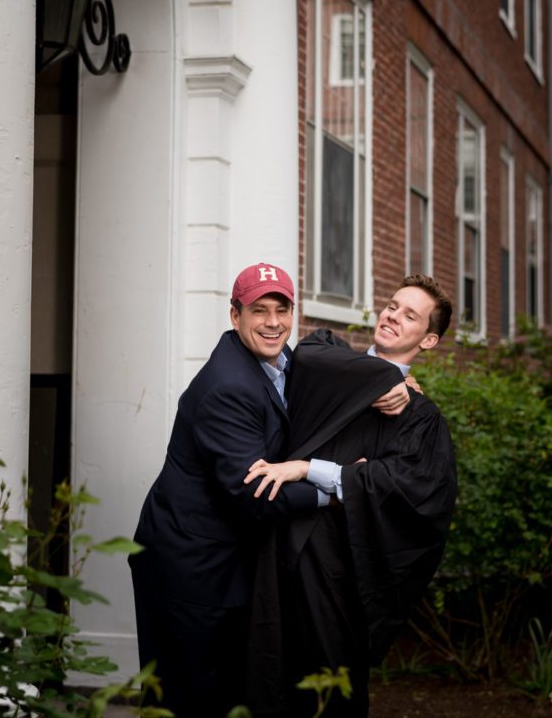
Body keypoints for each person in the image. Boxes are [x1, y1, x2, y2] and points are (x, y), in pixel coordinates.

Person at [129, 262, 406, 718]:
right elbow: (257, 496)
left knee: (233, 692)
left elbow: (335, 371)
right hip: (190, 564)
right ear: (234, 315)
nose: (273, 322)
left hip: (229, 556)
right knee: (188, 698)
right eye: (260, 310)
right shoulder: (228, 388)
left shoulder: (281, 361)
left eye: (282, 309)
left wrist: (395, 382)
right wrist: (340, 487)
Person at [245, 274, 458, 718]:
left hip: (338, 566)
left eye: (410, 315)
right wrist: (381, 377)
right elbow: (309, 350)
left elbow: (410, 489)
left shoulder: (420, 419)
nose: (393, 316)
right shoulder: (331, 361)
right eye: (393, 305)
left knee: (329, 685)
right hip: (273, 544)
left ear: (430, 340)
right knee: (264, 672)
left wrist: (310, 469)